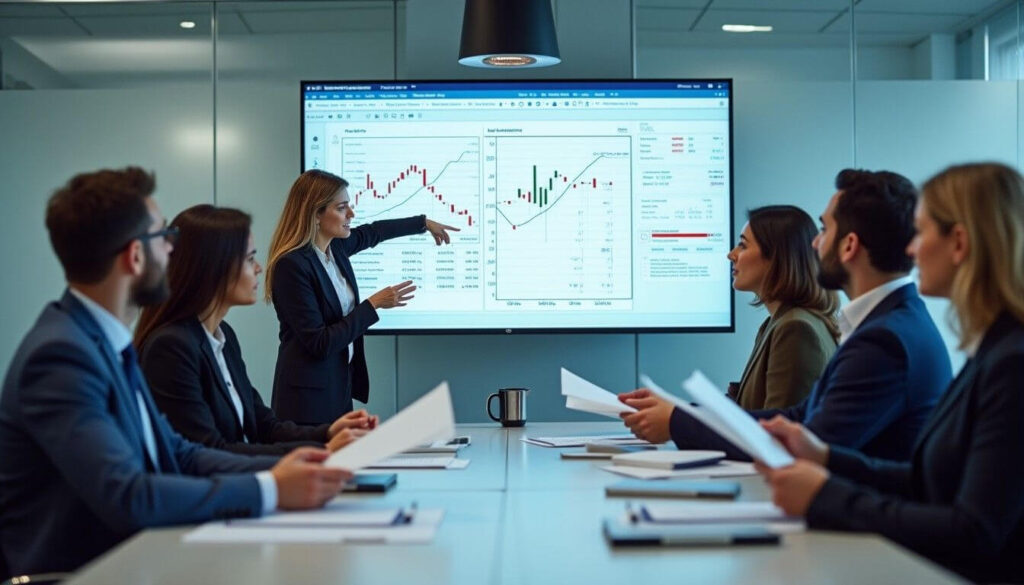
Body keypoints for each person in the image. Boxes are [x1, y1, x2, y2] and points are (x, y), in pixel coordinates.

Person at [0, 168, 350, 576]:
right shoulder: (62, 355)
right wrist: (270, 487)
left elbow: (179, 453)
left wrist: (308, 462)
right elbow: (129, 494)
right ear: (134, 256)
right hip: (87, 572)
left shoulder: (100, 341)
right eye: (162, 237)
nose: (172, 250)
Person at [759, 162, 1024, 584]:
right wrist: (825, 457)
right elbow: (925, 481)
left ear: (958, 243)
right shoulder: (991, 348)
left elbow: (974, 532)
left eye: (921, 233)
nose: (912, 249)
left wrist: (827, 496)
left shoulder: (1012, 362)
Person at [619, 169, 952, 461]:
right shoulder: (892, 323)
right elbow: (797, 419)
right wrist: (678, 414)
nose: (815, 244)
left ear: (849, 246)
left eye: (824, 230)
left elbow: (806, 442)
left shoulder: (885, 339)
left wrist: (677, 421)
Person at [135, 205, 378, 456]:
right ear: (214, 268)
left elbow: (264, 426)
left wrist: (329, 433)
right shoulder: (172, 348)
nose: (259, 269)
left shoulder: (223, 336)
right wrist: (320, 452)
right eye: (250, 259)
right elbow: (211, 452)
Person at [265, 169, 457, 425]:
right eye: (342, 208)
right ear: (316, 214)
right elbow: (319, 342)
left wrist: (422, 223)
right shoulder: (292, 266)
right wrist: (372, 305)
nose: (351, 215)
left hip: (338, 389)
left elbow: (373, 232)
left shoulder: (336, 248)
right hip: (306, 400)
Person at [721, 205, 838, 409]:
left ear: (776, 257)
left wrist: (676, 422)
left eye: (742, 245)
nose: (731, 254)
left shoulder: (796, 329)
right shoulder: (778, 323)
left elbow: (775, 430)